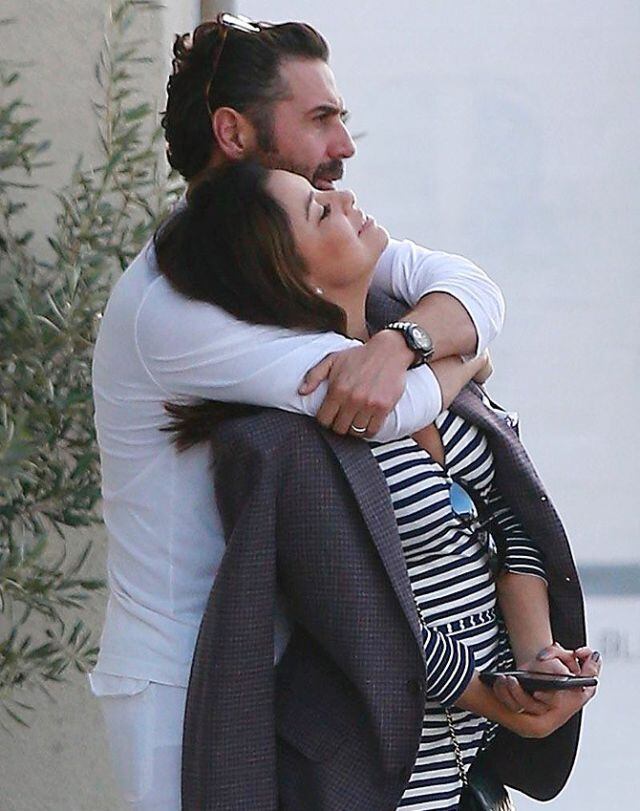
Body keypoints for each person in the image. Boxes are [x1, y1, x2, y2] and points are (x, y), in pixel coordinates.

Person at [89, 15, 508, 811]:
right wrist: (453, 358)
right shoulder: (175, 304)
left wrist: (405, 341)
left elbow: (474, 290)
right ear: (234, 133)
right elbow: (375, 408)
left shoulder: (295, 234)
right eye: (319, 118)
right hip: (184, 682)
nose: (343, 147)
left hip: (282, 661)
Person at [156, 162, 600, 810]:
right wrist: (492, 694)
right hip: (375, 777)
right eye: (319, 211)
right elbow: (356, 615)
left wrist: (536, 656)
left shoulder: (423, 358)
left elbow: (506, 516)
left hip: (473, 767)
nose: (344, 196)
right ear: (286, 275)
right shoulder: (280, 434)